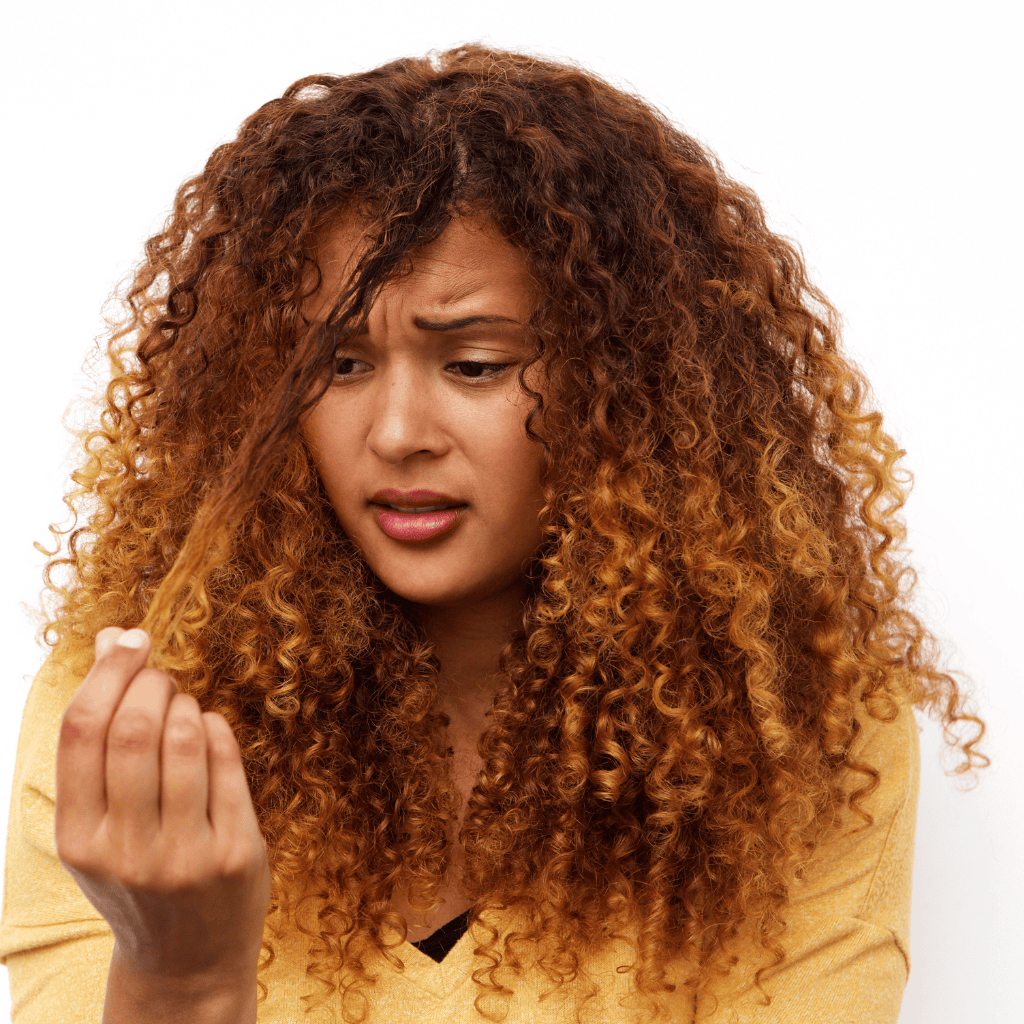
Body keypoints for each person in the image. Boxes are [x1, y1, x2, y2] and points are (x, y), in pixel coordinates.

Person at [0, 43, 988, 1024]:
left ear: (623, 388)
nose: (394, 434)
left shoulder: (801, 733)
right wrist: (181, 980)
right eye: (338, 365)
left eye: (472, 364)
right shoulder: (128, 721)